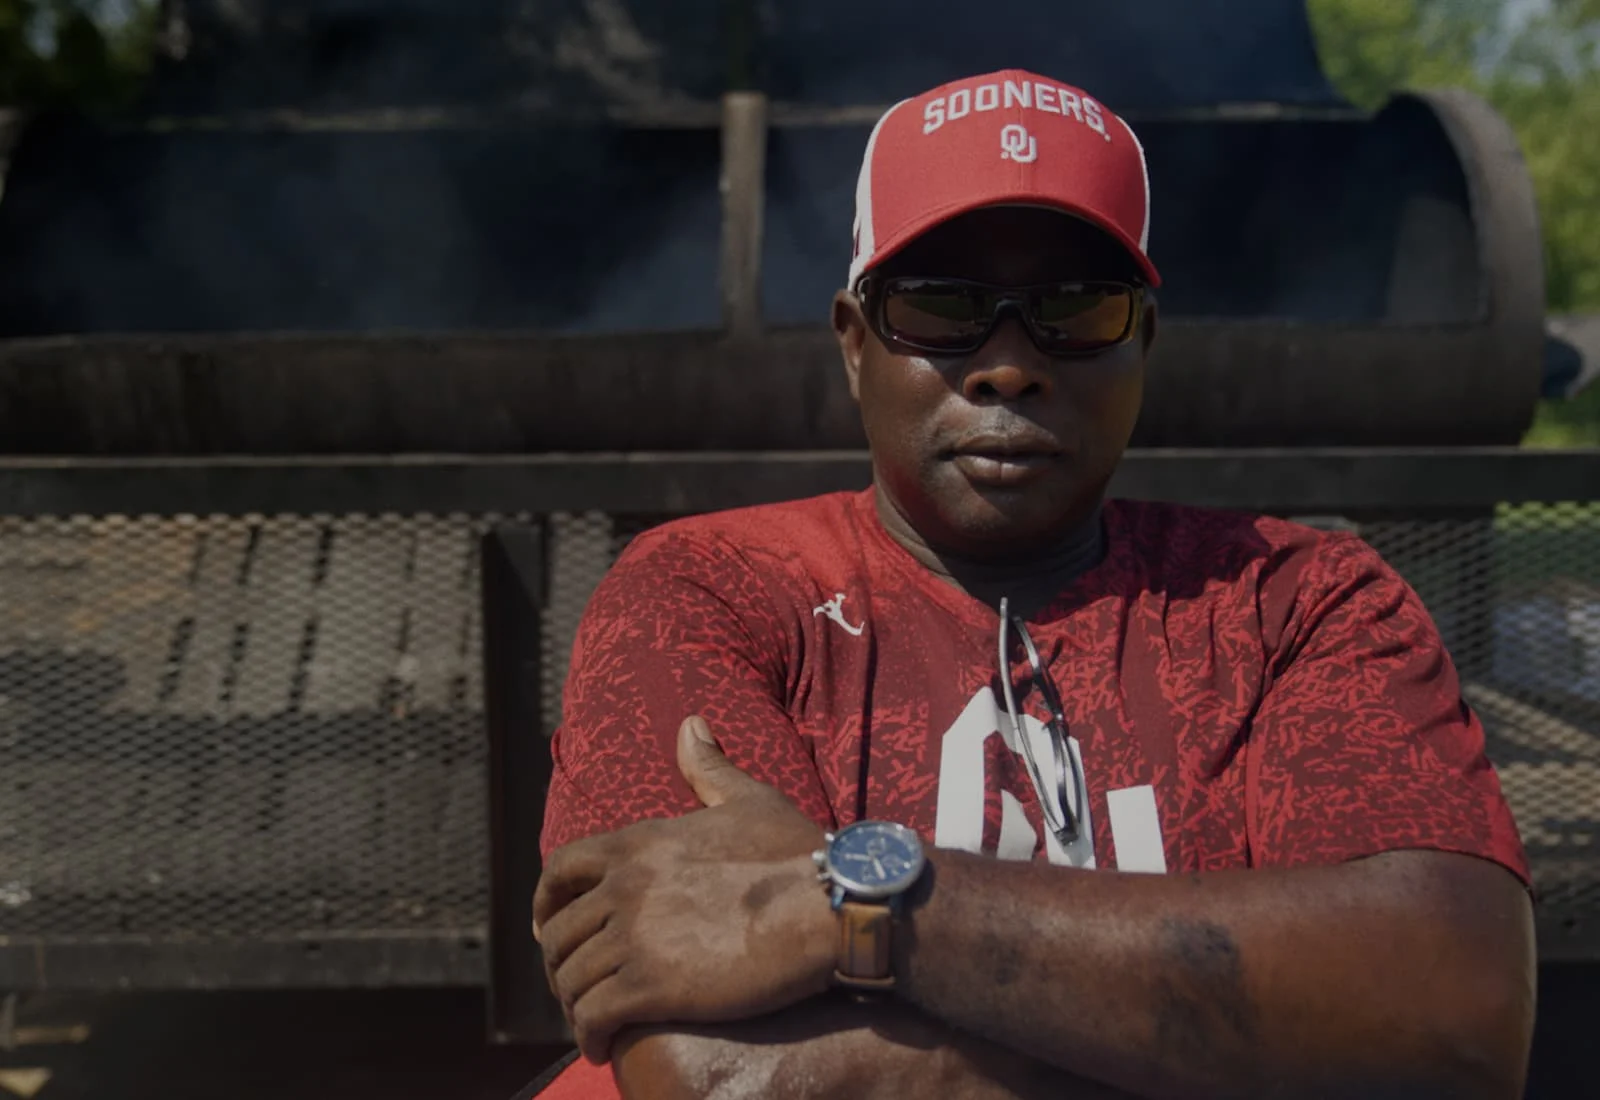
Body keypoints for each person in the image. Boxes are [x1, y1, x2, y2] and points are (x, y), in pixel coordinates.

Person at [528, 68, 1536, 1100]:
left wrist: (864, 903)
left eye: (1077, 308)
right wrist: (1250, 1033)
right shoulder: (710, 588)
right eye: (940, 306)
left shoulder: (1294, 600)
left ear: (1142, 339)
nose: (1008, 363)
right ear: (853, 343)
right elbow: (710, 1073)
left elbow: (1451, 1015)